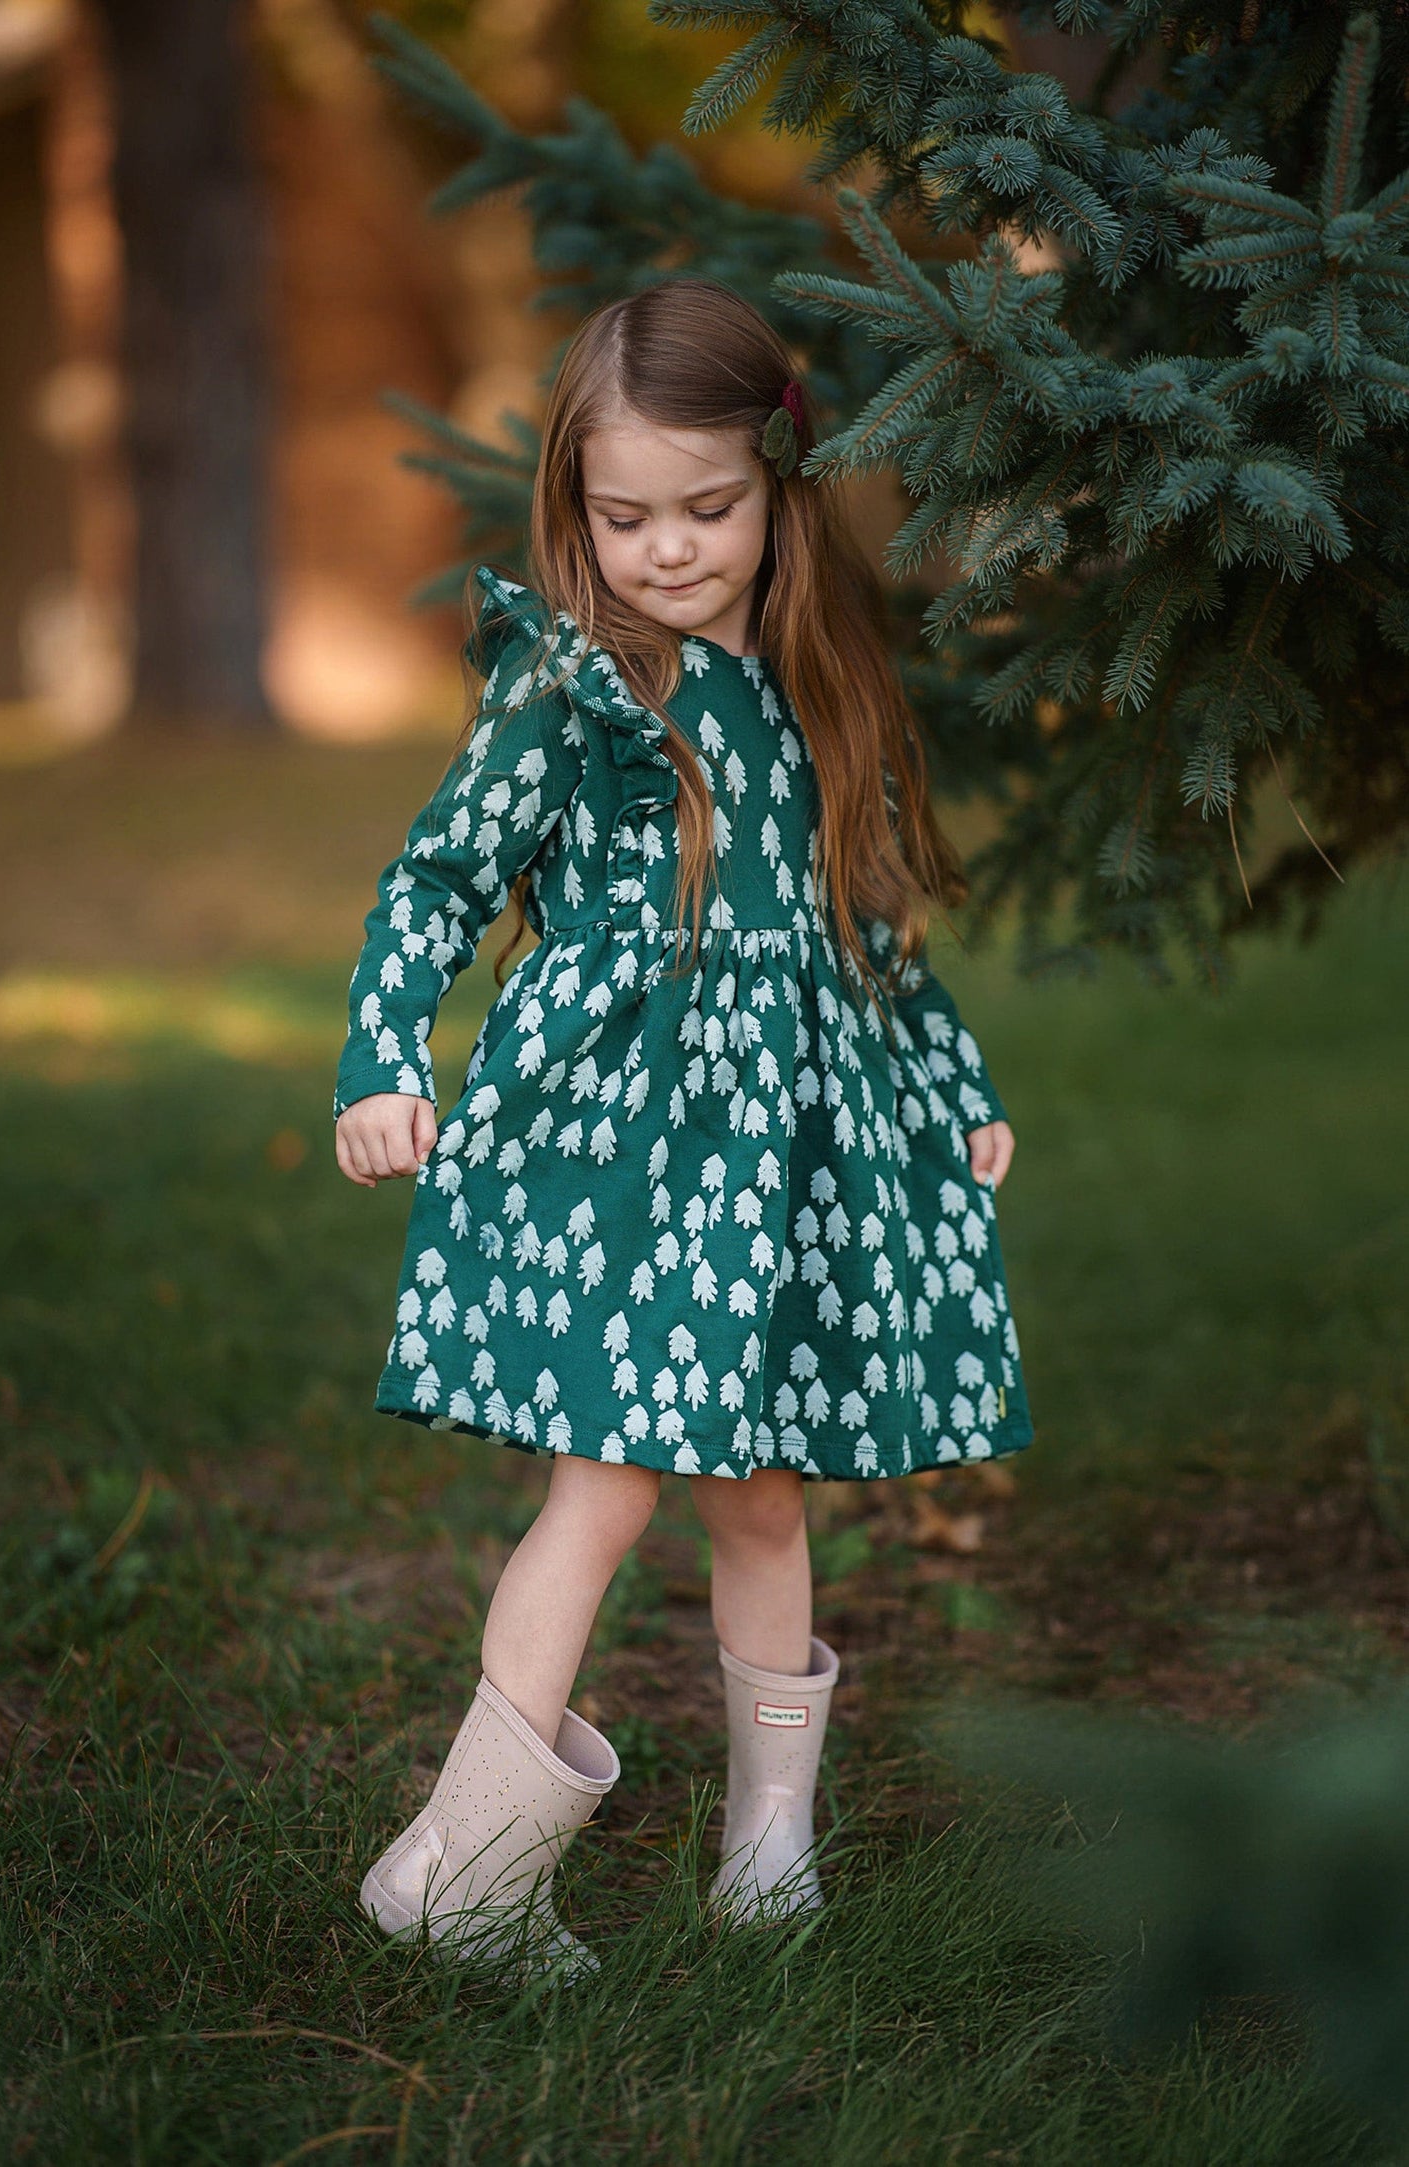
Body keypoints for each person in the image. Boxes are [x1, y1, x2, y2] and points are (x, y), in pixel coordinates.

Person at [332, 275, 1034, 1981]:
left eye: (707, 509)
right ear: (576, 507)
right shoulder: (576, 690)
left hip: (783, 1157)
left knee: (764, 1498)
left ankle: (766, 1851)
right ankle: (470, 1873)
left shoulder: (819, 697)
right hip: (619, 1150)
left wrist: (950, 1092)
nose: (664, 549)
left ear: (778, 488)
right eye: (622, 513)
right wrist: (380, 1058)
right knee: (607, 1488)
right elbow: (437, 877)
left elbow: (864, 934)